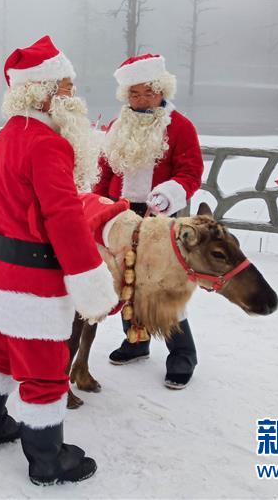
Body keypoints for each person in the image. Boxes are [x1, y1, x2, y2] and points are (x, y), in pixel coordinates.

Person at [0, 35, 118, 486]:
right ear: (46, 91)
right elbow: (64, 217)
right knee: (45, 368)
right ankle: (47, 459)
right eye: (68, 87)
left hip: (1, 270)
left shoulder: (6, 137)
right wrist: (90, 277)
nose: (74, 96)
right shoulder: (48, 144)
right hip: (35, 276)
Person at [93, 53, 204, 389]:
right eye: (133, 94)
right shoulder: (116, 127)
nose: (140, 100)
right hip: (119, 212)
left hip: (160, 216)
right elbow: (104, 170)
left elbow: (190, 172)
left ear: (161, 89)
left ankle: (182, 354)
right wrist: (95, 203)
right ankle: (136, 341)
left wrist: (169, 193)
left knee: (163, 285)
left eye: (146, 93)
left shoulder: (180, 126)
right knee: (124, 279)